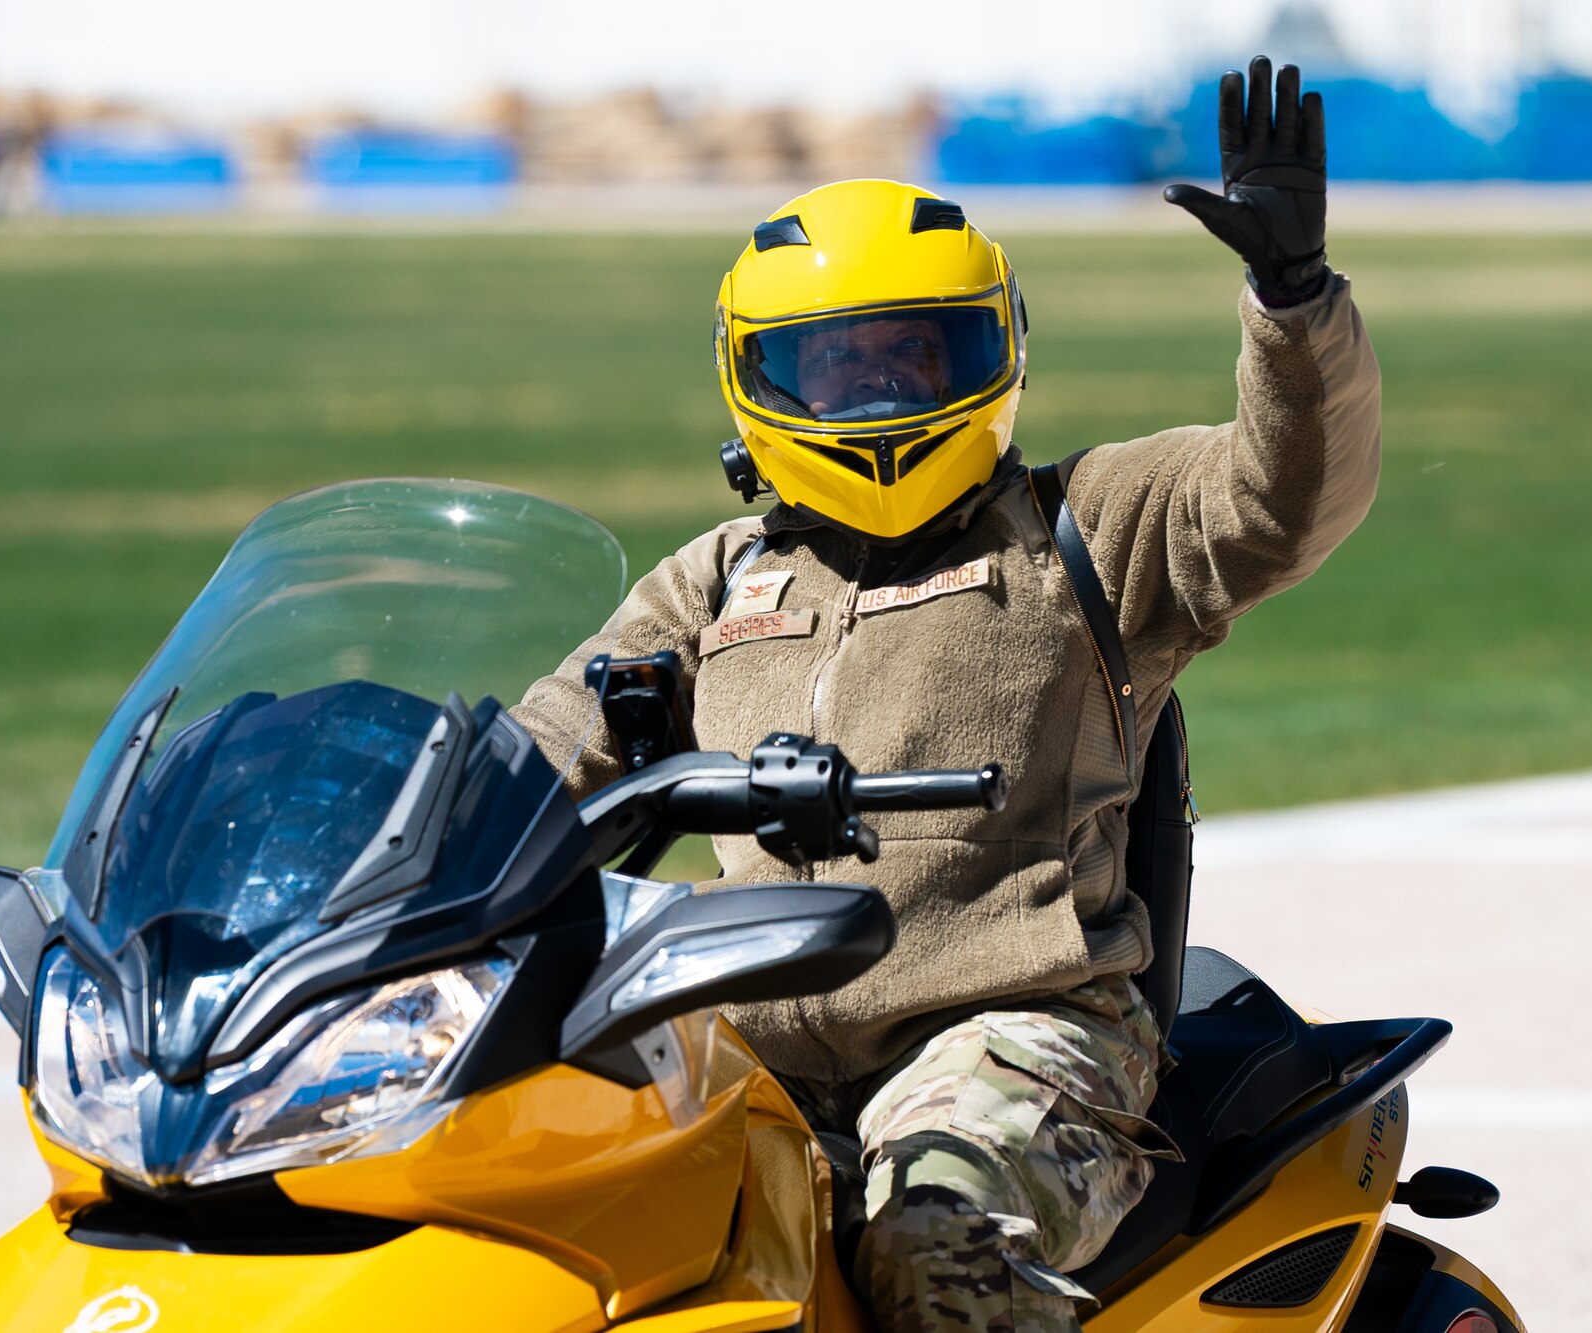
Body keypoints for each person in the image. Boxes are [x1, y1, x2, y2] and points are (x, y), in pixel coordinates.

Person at [513, 56, 1379, 1332]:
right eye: (833, 368)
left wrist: (1291, 299)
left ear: (997, 353)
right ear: (755, 385)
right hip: (729, 1043)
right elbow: (543, 743)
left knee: (935, 1241)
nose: (878, 400)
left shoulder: (1088, 528)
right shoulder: (715, 580)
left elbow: (1287, 492)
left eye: (917, 360)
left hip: (1013, 1033)